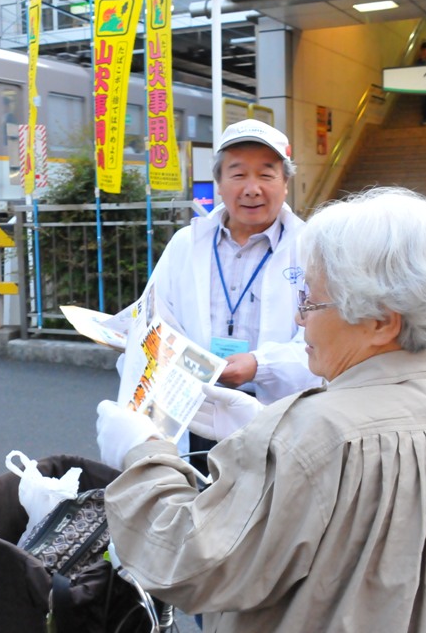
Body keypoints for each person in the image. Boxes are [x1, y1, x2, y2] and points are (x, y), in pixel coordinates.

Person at [96, 186, 426, 632]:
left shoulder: (319, 432)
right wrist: (265, 429)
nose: (300, 319)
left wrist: (143, 453)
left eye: (311, 301)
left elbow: (189, 561)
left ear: (381, 322)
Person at [126, 118, 319, 473]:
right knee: (194, 502)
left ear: (286, 184)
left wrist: (260, 365)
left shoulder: (310, 249)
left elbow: (323, 341)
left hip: (275, 415)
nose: (252, 188)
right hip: (195, 410)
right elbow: (156, 317)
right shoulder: (186, 244)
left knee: (269, 512)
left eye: (266, 174)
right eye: (238, 174)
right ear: (218, 184)